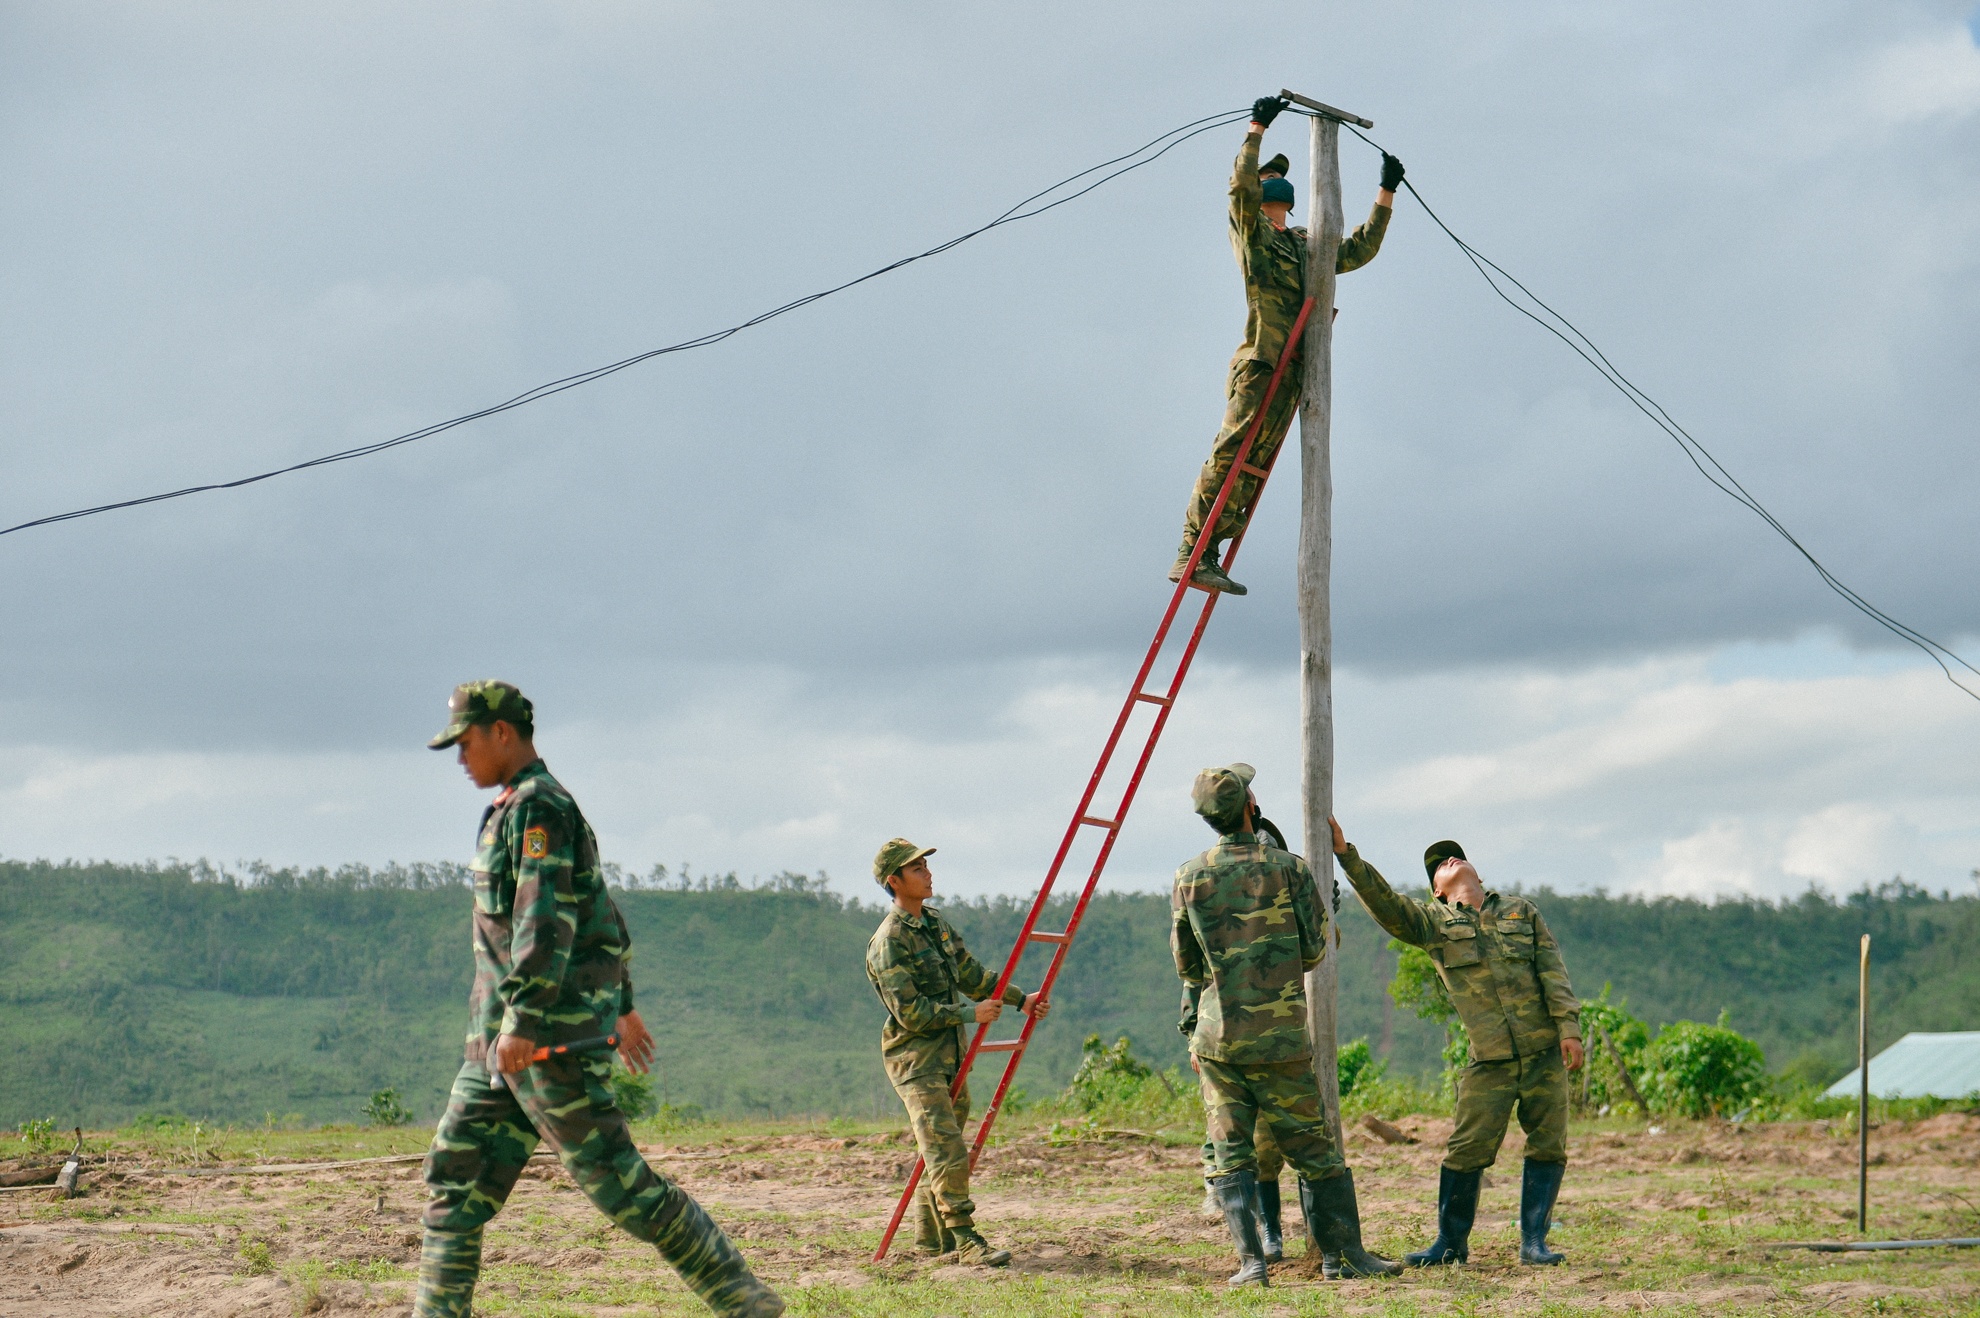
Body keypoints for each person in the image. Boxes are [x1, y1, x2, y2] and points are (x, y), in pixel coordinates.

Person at [416, 680, 784, 1318]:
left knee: (622, 1189)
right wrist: (623, 1001)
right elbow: (601, 910)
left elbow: (545, 917)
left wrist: (527, 1020)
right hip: (499, 1048)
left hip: (541, 1042)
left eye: (467, 741)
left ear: (502, 732)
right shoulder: (512, 807)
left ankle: (743, 1301)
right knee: (455, 1182)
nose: (460, 757)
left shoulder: (541, 808)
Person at [1173, 764, 1401, 1286]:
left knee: (1232, 1155)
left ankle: (1252, 1263)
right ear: (1251, 804)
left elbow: (1187, 966)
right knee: (1315, 1152)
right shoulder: (1289, 869)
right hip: (1279, 1040)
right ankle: (1342, 1258)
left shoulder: (1188, 876)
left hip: (1217, 1040)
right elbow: (1317, 949)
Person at [1170, 95, 1405, 597]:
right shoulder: (1253, 233)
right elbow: (1238, 188)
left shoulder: (1304, 243)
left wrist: (1385, 193)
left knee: (1254, 461)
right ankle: (1194, 551)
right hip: (1260, 361)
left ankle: (1214, 548)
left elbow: (1358, 248)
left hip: (1295, 370)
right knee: (1231, 452)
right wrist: (1256, 129)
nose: (1272, 207)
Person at [1328, 819, 1585, 1266]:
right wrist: (1346, 854)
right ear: (1438, 893)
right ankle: (1450, 1244)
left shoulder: (1520, 912)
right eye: (1437, 865)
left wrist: (1569, 1027)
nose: (1448, 859)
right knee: (1467, 1149)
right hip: (1490, 1060)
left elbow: (1552, 971)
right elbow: (1387, 905)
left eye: (1454, 854)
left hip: (1544, 1050)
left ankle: (1534, 1243)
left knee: (1548, 1145)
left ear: (1477, 874)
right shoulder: (1433, 924)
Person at [866, 838, 1051, 1266]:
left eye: (925, 866)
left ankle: (931, 1243)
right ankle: (966, 1239)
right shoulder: (888, 941)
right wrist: (971, 1014)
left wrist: (1019, 999)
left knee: (939, 1149)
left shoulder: (935, 923)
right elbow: (910, 1013)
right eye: (916, 869)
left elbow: (971, 973)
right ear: (894, 881)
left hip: (950, 1057)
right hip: (916, 1062)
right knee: (945, 1148)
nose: (927, 874)